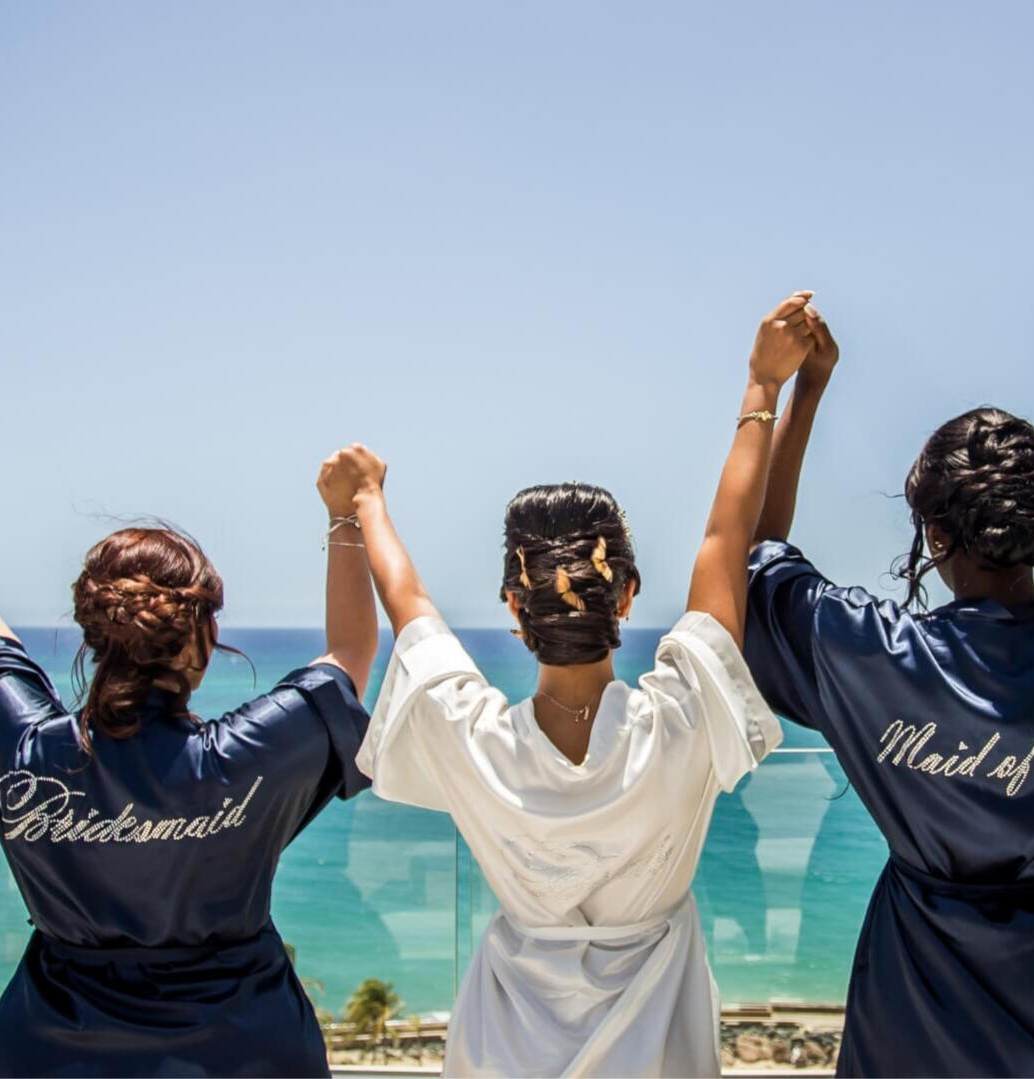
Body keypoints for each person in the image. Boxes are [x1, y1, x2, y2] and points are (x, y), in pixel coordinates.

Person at [345, 293, 822, 1076]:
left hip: (505, 1046)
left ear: (513, 603)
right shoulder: (683, 718)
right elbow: (728, 540)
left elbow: (411, 609)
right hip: (659, 1047)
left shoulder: (473, 739)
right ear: (628, 593)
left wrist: (364, 500)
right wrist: (766, 387)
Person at [742, 290, 1034, 1076]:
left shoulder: (875, 655)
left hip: (918, 1024)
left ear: (935, 533)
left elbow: (752, 557)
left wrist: (800, 390)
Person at [0, 453, 382, 1078]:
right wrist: (346, 512)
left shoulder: (26, 755)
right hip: (242, 1051)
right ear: (198, 639)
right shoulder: (241, 761)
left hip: (46, 1052)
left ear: (94, 633)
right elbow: (350, 652)